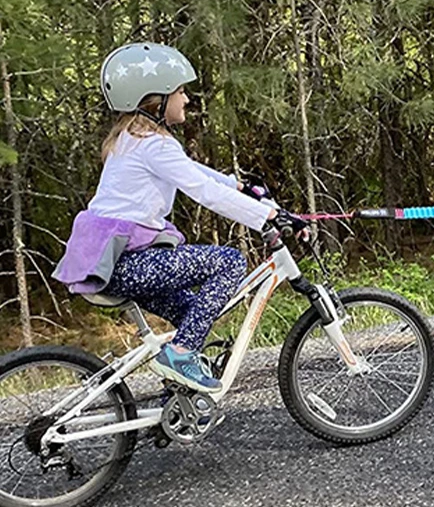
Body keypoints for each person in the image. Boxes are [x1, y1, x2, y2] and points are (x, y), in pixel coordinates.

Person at [54, 42, 302, 393]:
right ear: (155, 99)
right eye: (180, 91)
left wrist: (239, 185)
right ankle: (180, 355)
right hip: (128, 263)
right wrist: (268, 216)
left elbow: (192, 172)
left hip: (111, 263)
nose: (186, 99)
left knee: (194, 312)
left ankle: (177, 398)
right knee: (229, 262)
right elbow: (204, 192)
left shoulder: (131, 138)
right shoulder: (155, 145)